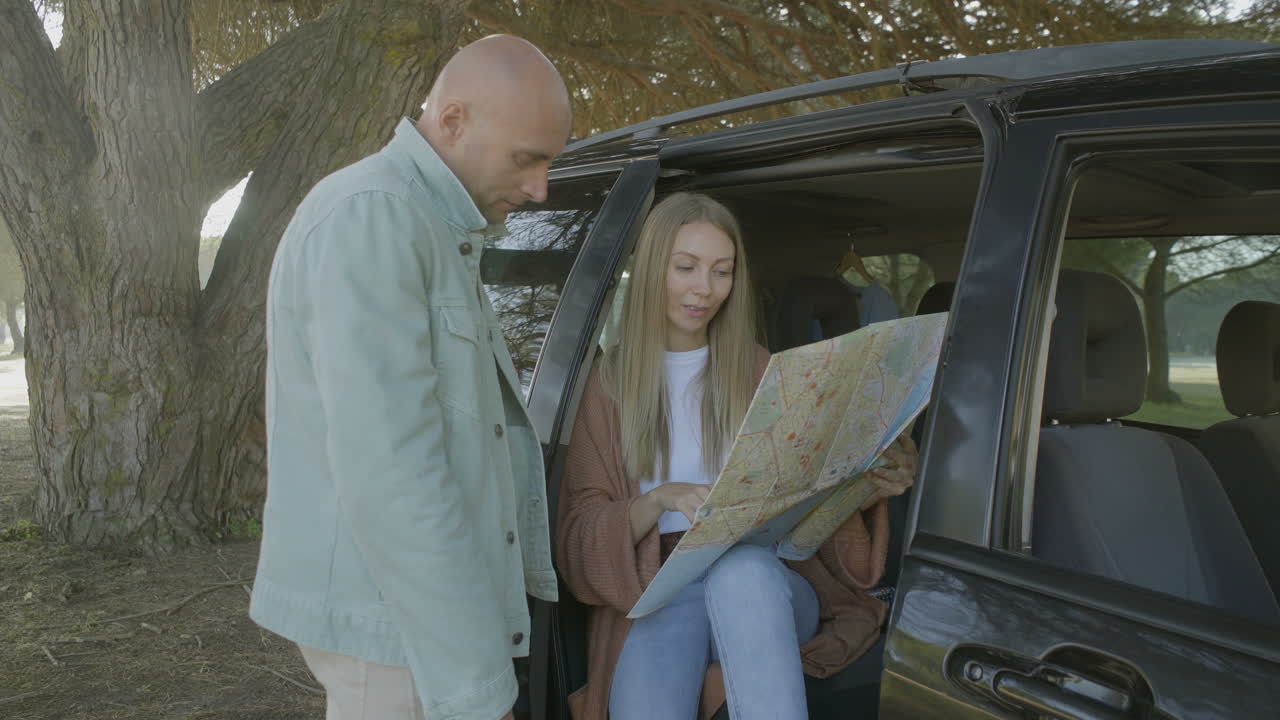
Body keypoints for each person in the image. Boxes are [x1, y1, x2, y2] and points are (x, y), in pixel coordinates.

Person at [250, 35, 572, 720]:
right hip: (395, 629)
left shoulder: (428, 224)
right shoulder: (375, 218)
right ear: (454, 120)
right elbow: (394, 475)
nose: (540, 188)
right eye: (527, 159)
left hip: (415, 624)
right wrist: (479, 688)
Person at [555, 192, 918, 720]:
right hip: (659, 586)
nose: (704, 289)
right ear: (654, 266)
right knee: (669, 607)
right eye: (686, 267)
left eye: (721, 272)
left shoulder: (759, 370)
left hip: (770, 587)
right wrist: (659, 500)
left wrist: (867, 485)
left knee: (740, 569)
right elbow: (579, 537)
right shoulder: (605, 385)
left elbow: (807, 497)